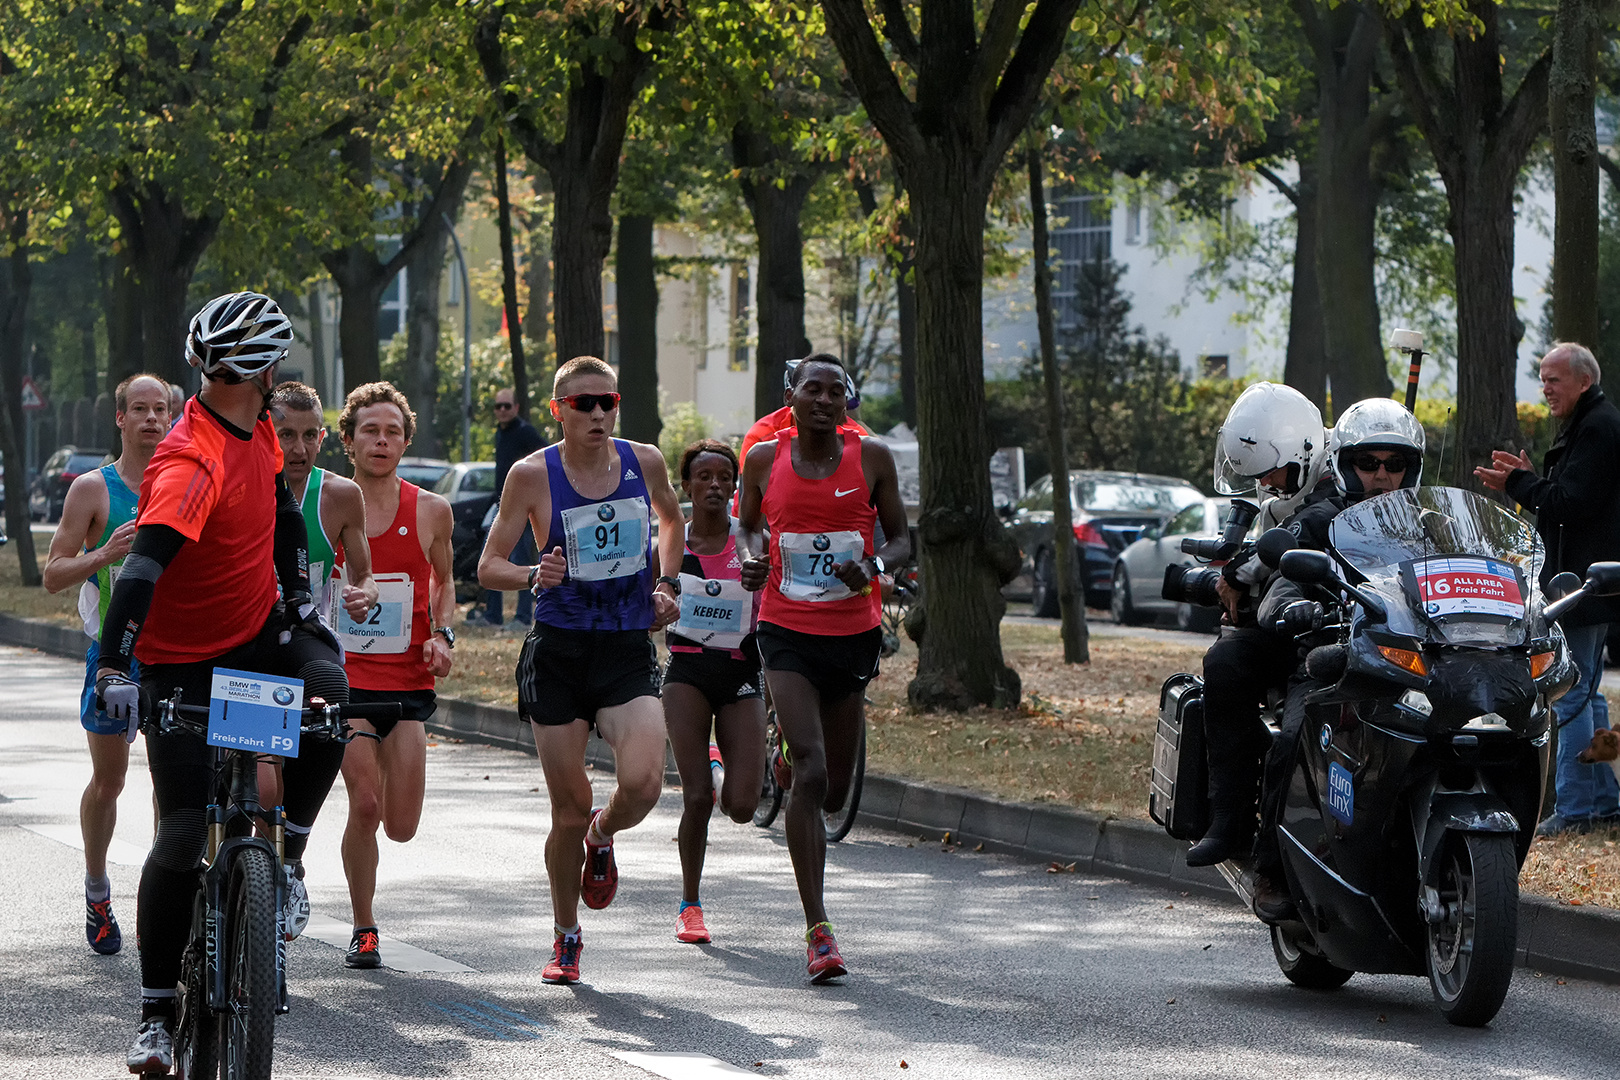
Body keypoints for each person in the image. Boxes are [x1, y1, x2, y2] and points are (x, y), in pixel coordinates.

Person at [93, 291, 352, 1074]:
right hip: (180, 661)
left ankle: (292, 855)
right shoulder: (191, 459)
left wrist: (297, 596)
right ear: (259, 367)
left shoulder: (257, 422)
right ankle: (153, 1013)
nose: (281, 374)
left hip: (256, 634)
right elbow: (143, 566)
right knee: (178, 836)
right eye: (276, 362)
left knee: (329, 693)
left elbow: (274, 506)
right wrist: (114, 664)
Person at [478, 355, 683, 985]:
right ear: (558, 410)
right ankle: (566, 934)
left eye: (607, 401)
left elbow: (672, 521)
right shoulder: (530, 474)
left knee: (645, 783)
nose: (598, 413)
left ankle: (605, 833)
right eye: (583, 403)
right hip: (559, 651)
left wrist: (668, 582)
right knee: (567, 809)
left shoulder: (643, 461)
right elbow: (488, 566)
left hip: (624, 645)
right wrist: (533, 573)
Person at [736, 352, 909, 983]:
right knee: (810, 773)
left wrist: (876, 567)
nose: (824, 399)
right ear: (793, 394)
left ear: (847, 402)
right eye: (813, 388)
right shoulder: (763, 458)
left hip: (852, 631)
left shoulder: (872, 458)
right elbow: (748, 528)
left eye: (836, 391)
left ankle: (788, 749)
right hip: (785, 628)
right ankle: (819, 929)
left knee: (833, 789)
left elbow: (900, 537)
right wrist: (753, 560)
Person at [1252, 397, 1424, 919]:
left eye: (1395, 465)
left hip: (1412, 664)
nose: (1382, 476)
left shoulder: (1429, 524)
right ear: (1346, 465)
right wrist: (1294, 606)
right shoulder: (1321, 520)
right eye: (1368, 463)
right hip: (1335, 661)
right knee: (1292, 739)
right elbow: (1280, 581)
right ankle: (1270, 867)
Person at [41, 373, 170, 956]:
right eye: (138, 409)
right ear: (120, 418)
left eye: (159, 409)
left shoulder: (185, 483)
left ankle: (167, 894)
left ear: (172, 416)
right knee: (111, 780)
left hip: (177, 656)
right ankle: (97, 889)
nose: (150, 419)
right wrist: (107, 553)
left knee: (175, 787)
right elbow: (52, 575)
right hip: (115, 657)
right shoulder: (93, 489)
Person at [332, 381, 456, 968]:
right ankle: (364, 926)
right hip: (346, 678)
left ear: (405, 441)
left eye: (392, 432)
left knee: (401, 826)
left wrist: (442, 634)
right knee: (364, 806)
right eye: (370, 431)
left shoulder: (431, 510)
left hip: (408, 684)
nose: (381, 441)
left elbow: (444, 581)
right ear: (350, 441)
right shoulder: (326, 506)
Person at [1186, 383, 1333, 869]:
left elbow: (1312, 524)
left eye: (1275, 470)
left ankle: (1275, 857)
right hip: (1290, 621)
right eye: (1261, 474)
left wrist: (1234, 574)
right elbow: (1272, 539)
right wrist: (1234, 572)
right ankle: (1229, 817)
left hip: (1346, 628)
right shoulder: (1285, 484)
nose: (1268, 482)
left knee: (1299, 729)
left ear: (1307, 451)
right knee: (1224, 661)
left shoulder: (1348, 469)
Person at [1477, 342, 1620, 834]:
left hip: (1585, 583)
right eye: (1542, 378)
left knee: (1572, 693)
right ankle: (1603, 801)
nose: (1545, 388)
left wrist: (1521, 484)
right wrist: (1529, 480)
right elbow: (1570, 499)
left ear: (1584, 381)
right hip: (1590, 581)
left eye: (1554, 379)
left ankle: (1577, 810)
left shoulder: (1598, 428)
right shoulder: (1590, 424)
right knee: (1590, 694)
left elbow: (1570, 502)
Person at [257, 382, 379, 844]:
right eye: (286, 434)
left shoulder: (340, 496)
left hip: (303, 641)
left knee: (332, 707)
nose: (298, 448)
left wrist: (365, 595)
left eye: (310, 436)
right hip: (239, 639)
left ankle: (294, 846)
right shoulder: (237, 485)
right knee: (263, 787)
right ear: (265, 431)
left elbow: (365, 575)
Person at [662, 439, 767, 946]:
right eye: (703, 477)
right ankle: (690, 904)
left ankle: (719, 761)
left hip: (740, 673)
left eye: (724, 478)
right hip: (686, 673)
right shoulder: (671, 545)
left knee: (742, 806)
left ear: (735, 487)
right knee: (697, 796)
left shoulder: (751, 544)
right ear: (686, 485)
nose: (715, 485)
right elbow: (644, 604)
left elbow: (775, 610)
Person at [485, 387, 546, 629]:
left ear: (516, 408)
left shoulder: (525, 432)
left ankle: (522, 617)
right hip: (500, 507)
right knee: (489, 559)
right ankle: (493, 615)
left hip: (522, 510)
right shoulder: (500, 433)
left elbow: (544, 458)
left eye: (506, 406)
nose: (502, 411)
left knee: (521, 561)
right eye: (498, 406)